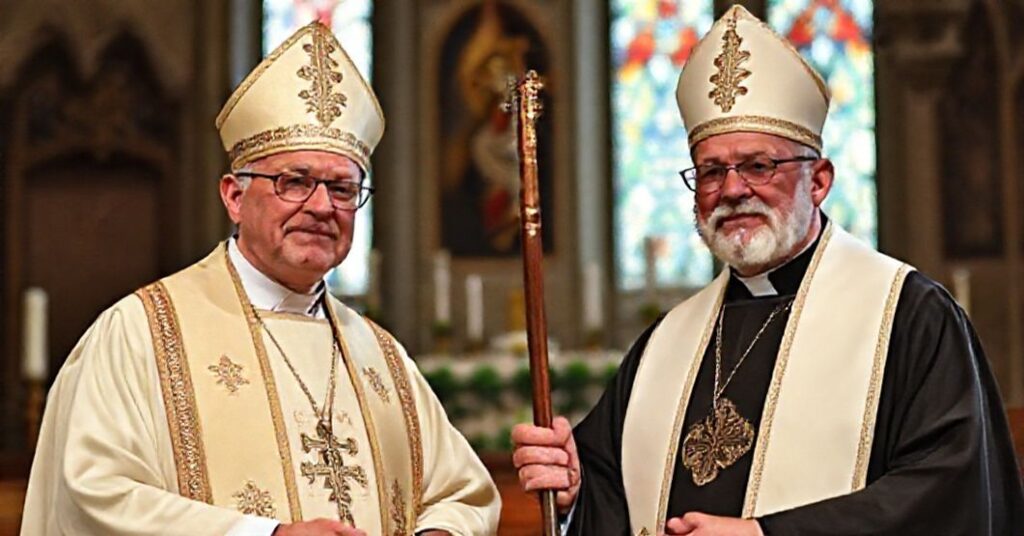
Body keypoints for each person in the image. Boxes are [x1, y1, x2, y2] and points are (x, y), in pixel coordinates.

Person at [511, 5, 1023, 535]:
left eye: (759, 165)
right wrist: (575, 494)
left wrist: (765, 533)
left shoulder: (909, 316)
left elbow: (951, 493)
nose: (732, 189)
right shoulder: (665, 342)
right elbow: (612, 497)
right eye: (711, 171)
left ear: (819, 181)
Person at [21, 21, 499, 536]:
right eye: (295, 181)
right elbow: (91, 495)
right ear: (234, 196)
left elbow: (460, 493)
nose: (322, 206)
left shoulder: (382, 356)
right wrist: (266, 535)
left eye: (342, 188)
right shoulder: (140, 335)